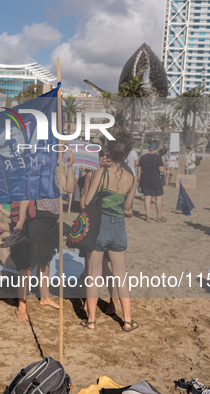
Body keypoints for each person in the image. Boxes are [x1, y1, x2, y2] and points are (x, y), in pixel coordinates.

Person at [81, 129, 138, 331]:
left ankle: (91, 321)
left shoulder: (101, 172)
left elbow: (87, 201)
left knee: (94, 274)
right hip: (119, 227)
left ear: (110, 153)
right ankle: (128, 320)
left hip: (99, 226)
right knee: (121, 275)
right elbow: (128, 210)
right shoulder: (132, 178)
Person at [14, 150, 76, 322]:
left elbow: (69, 189)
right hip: (37, 220)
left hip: (52, 221)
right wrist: (20, 221)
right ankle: (22, 304)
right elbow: (26, 198)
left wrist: (70, 167)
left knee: (45, 259)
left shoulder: (58, 171)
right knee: (29, 262)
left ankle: (45, 296)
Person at [137, 143, 166, 222]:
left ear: (148, 149)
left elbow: (138, 170)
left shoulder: (142, 157)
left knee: (147, 198)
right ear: (156, 150)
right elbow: (161, 170)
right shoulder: (158, 157)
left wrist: (139, 181)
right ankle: (158, 217)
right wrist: (164, 166)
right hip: (156, 180)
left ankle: (148, 217)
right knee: (158, 197)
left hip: (145, 180)